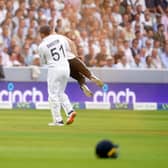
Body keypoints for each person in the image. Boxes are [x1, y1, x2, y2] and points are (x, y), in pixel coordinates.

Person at [38, 25, 77, 126]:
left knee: (52, 95)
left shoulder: (42, 46)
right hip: (65, 67)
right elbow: (69, 48)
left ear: (42, 34)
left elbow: (43, 62)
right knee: (60, 92)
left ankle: (58, 121)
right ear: (50, 31)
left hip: (54, 69)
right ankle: (70, 111)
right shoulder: (59, 38)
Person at [55, 27, 104, 97]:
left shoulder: (50, 42)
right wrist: (76, 56)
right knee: (86, 72)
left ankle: (83, 85)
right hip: (70, 58)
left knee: (80, 78)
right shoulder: (62, 38)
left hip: (62, 64)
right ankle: (91, 76)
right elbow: (72, 44)